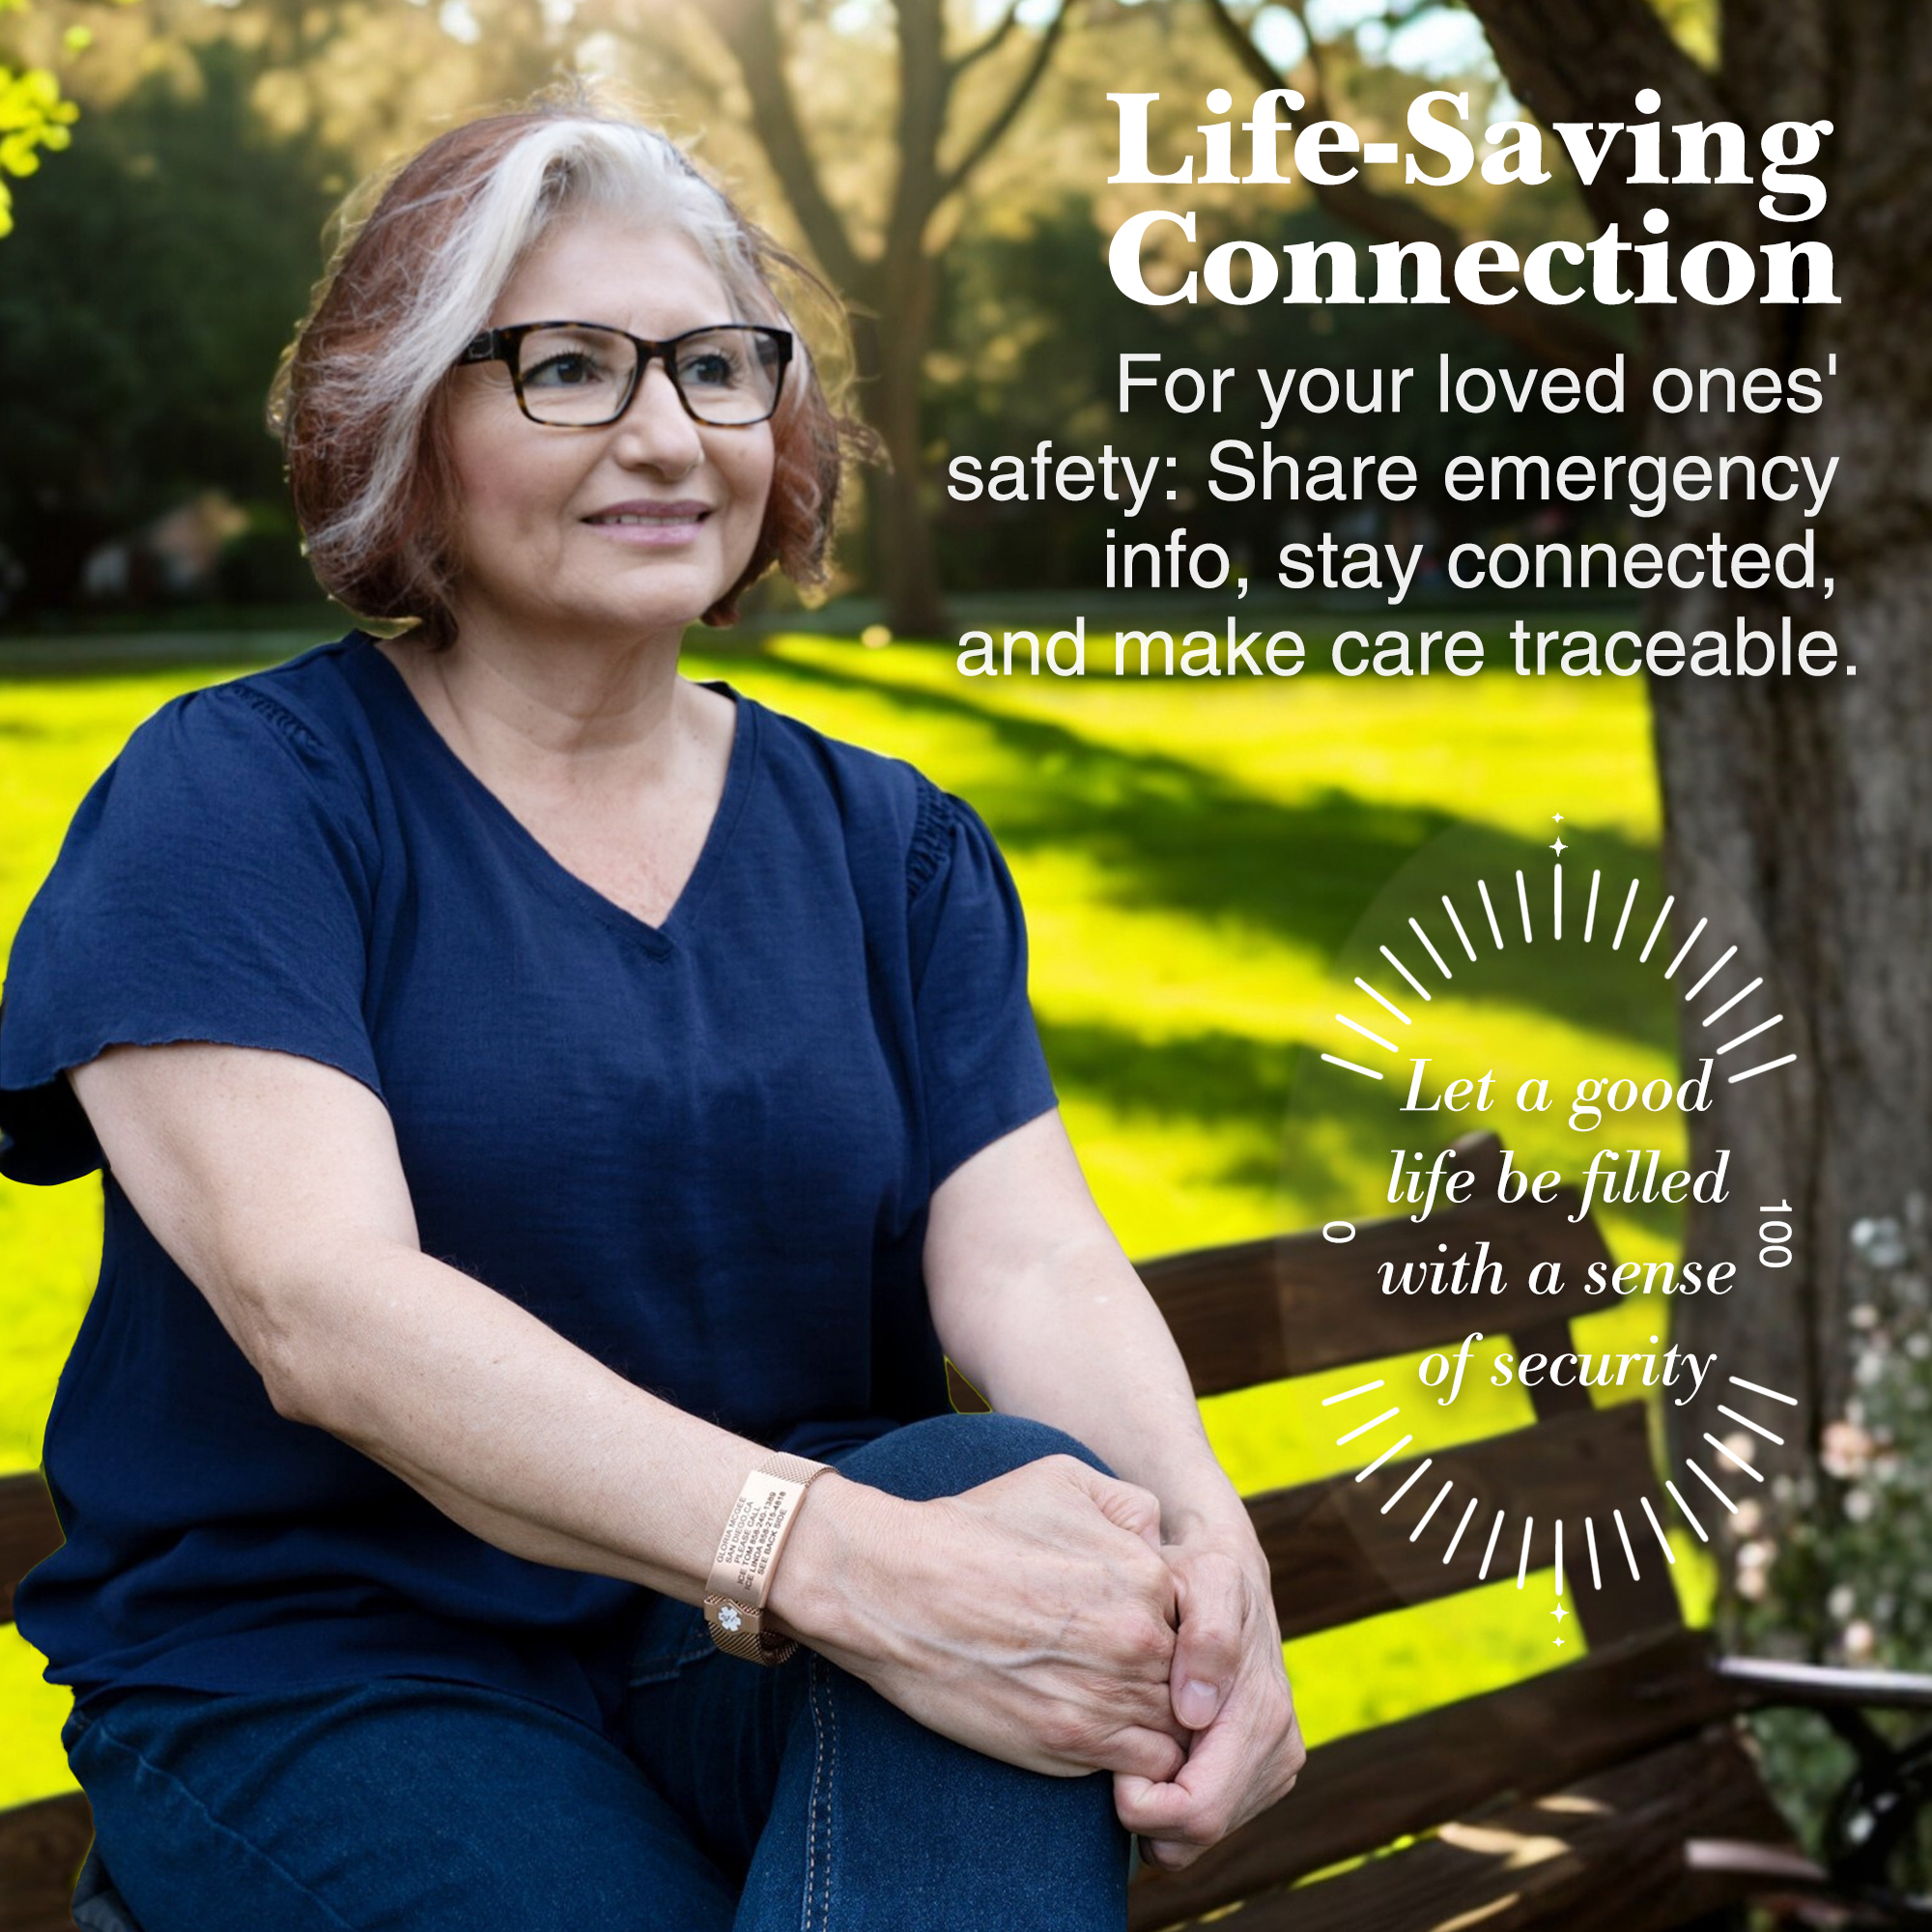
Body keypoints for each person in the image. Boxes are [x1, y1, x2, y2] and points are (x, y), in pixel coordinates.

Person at [0, 98, 1302, 1932]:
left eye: (714, 365)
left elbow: (1028, 1267)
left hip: (738, 1661)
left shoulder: (892, 848)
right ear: (409, 424)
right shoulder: (242, 800)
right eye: (568, 369)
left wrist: (1205, 1560)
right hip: (329, 1673)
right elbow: (325, 1313)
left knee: (1011, 1491)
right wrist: (831, 1554)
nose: (670, 433)